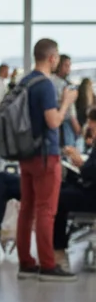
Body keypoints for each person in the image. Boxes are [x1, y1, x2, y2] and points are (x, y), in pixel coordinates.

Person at [14, 38, 78, 282]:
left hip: (26, 153)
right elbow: (53, 121)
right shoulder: (46, 85)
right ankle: (48, 264)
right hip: (45, 155)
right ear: (52, 58)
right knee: (46, 210)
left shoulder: (25, 81)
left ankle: (26, 262)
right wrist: (66, 104)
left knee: (27, 209)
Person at [55, 106, 96, 257]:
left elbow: (91, 172)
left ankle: (58, 243)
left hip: (91, 196)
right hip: (90, 190)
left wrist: (79, 162)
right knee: (60, 190)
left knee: (58, 198)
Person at [51, 54, 82, 150]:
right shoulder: (59, 84)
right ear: (59, 66)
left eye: (69, 65)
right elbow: (69, 106)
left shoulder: (58, 82)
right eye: (66, 65)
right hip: (64, 122)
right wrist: (75, 123)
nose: (69, 69)